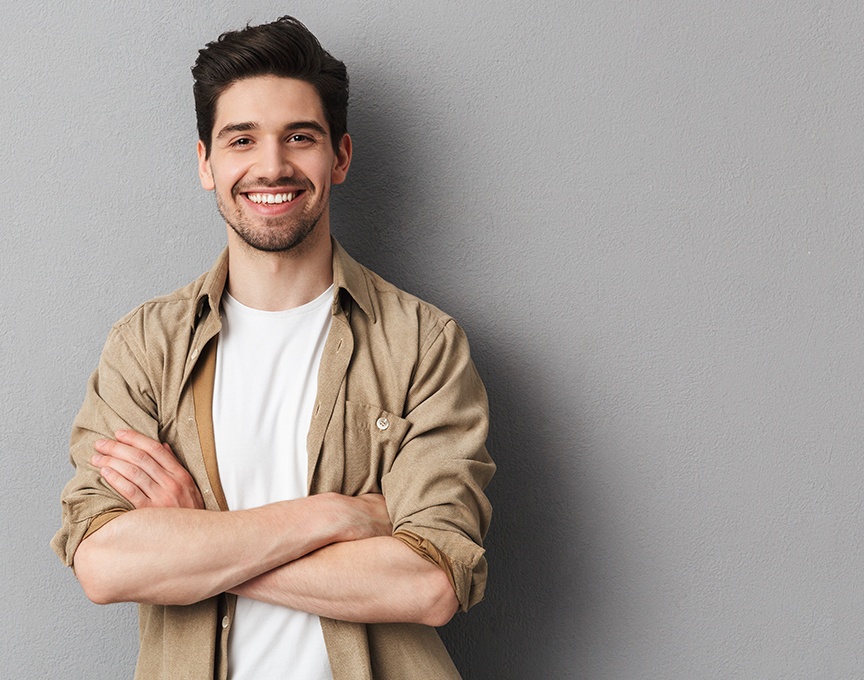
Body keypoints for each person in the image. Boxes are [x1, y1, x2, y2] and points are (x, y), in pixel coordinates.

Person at [51, 15, 494, 680]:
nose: (272, 165)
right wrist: (335, 516)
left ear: (339, 156)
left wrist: (198, 538)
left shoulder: (423, 344)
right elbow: (106, 564)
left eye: (300, 137)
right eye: (241, 139)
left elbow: (428, 585)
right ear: (206, 163)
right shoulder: (146, 346)